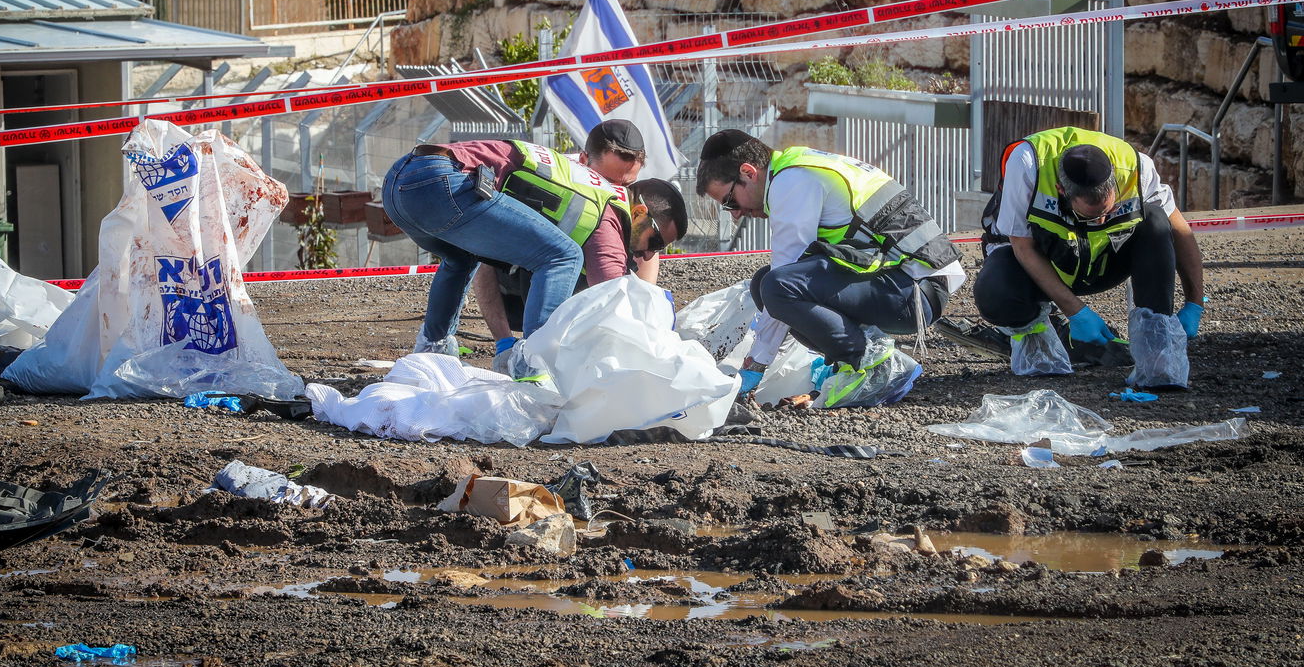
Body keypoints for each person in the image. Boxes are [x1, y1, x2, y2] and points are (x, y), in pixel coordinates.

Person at [695, 130, 965, 409]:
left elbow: (784, 281)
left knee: (775, 287)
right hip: (912, 284)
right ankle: (854, 361)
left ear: (749, 172)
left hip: (914, 292)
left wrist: (755, 366)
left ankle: (870, 363)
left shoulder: (791, 181)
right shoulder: (798, 166)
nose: (735, 214)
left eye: (729, 201)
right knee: (765, 283)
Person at [381, 136, 688, 379]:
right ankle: (534, 367)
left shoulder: (585, 180)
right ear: (639, 212)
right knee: (563, 257)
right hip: (440, 184)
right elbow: (611, 298)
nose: (649, 254)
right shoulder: (611, 211)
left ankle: (431, 352)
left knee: (461, 258)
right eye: (656, 241)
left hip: (400, 183)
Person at [938, 127, 1204, 383]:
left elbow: (1179, 229)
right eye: (1091, 215)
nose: (1101, 221)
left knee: (1156, 221)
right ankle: (1040, 344)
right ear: (1062, 190)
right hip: (1048, 262)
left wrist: (1194, 303)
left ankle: (1156, 354)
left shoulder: (1136, 166)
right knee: (996, 287)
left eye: (1107, 212)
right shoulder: (1028, 164)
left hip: (1102, 264)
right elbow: (1022, 247)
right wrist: (1076, 312)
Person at [471, 119, 661, 363]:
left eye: (626, 185)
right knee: (484, 248)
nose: (615, 192)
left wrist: (645, 323)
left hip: (574, 285)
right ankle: (517, 346)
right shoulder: (546, 177)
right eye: (608, 181)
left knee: (644, 236)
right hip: (516, 289)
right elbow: (483, 252)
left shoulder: (629, 198)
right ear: (583, 161)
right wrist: (504, 343)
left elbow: (648, 256)